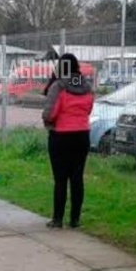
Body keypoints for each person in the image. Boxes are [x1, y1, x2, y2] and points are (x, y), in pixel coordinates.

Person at [41, 53, 94, 229]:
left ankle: (57, 219)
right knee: (77, 178)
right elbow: (88, 109)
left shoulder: (58, 86)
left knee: (61, 179)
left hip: (61, 137)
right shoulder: (86, 85)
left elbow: (50, 113)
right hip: (82, 136)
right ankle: (75, 220)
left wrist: (48, 121)